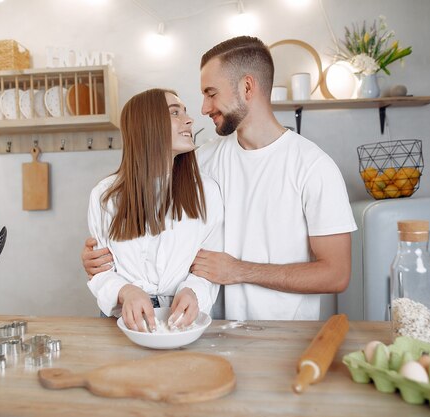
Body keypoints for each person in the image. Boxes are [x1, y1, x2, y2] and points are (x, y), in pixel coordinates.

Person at [83, 36, 356, 321]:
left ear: (247, 87)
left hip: (284, 334)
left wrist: (239, 270)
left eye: (211, 93)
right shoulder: (201, 161)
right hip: (213, 332)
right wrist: (100, 261)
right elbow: (148, 204)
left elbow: (336, 274)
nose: (202, 109)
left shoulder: (313, 167)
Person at [86, 88, 223, 332]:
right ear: (147, 125)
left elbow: (208, 267)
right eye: (174, 113)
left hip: (183, 321)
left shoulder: (207, 192)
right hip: (123, 323)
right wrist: (125, 291)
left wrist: (193, 292)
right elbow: (100, 271)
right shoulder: (105, 196)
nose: (189, 120)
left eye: (185, 112)